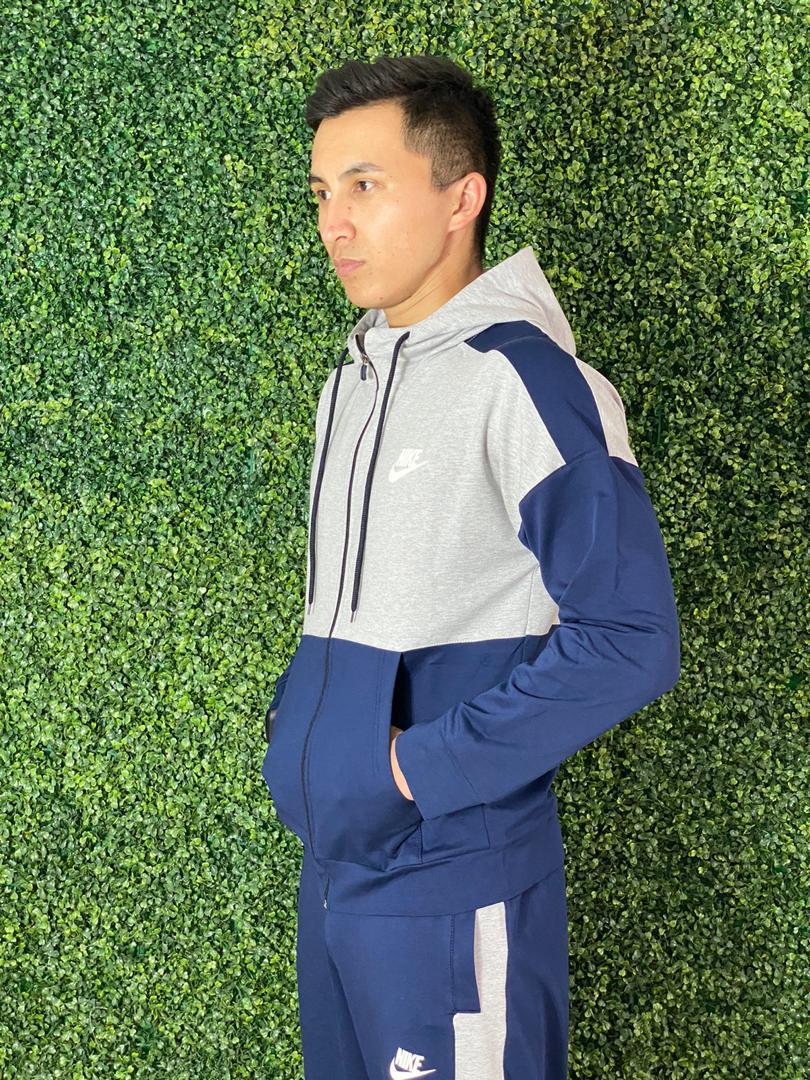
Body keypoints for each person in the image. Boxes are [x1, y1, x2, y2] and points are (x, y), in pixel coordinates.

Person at [261, 53, 681, 1079]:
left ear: (462, 198)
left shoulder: (525, 380)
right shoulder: (352, 383)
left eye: (366, 185)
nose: (333, 224)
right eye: (321, 192)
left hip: (455, 878)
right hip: (337, 871)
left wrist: (414, 769)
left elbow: (631, 639)